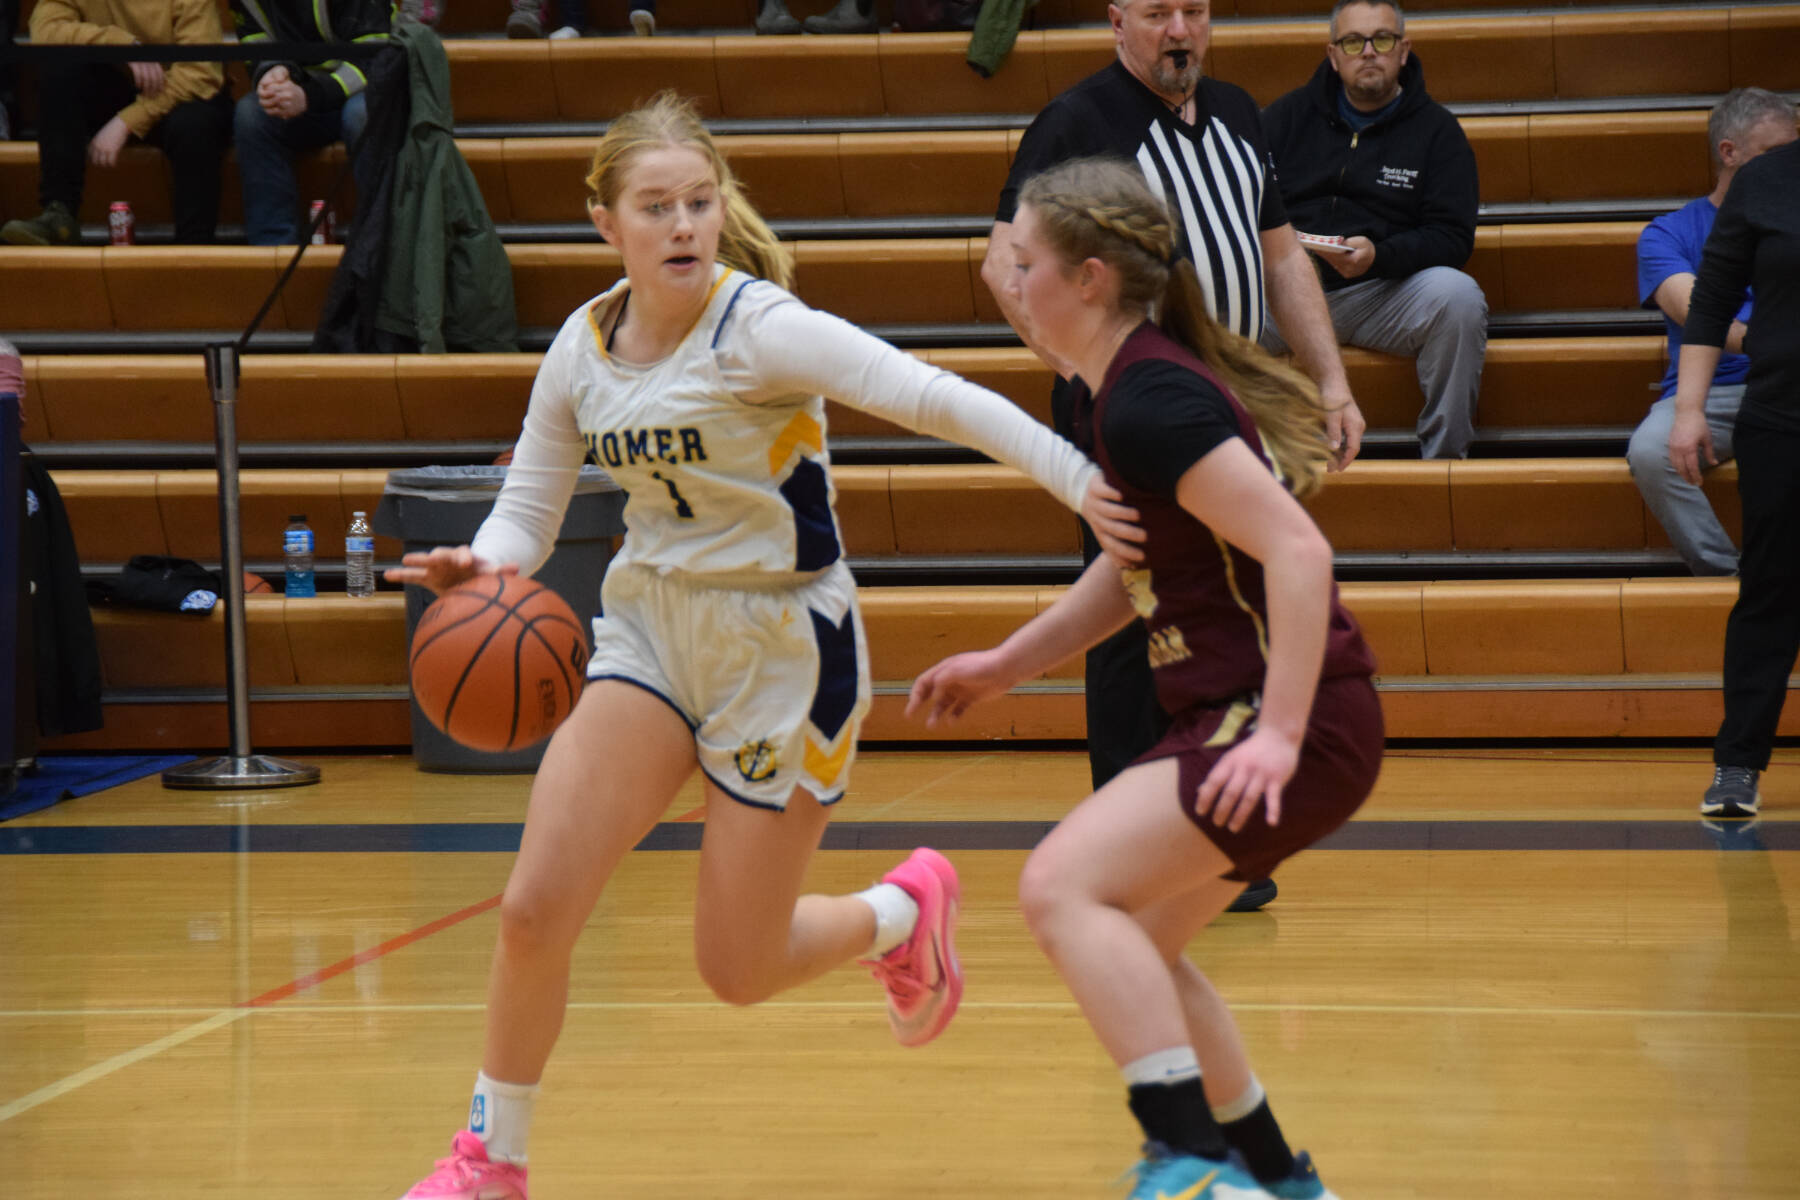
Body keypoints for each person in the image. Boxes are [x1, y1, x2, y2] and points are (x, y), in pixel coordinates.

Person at [384, 91, 1137, 1200]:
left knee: (735, 969)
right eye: (657, 206)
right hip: (649, 632)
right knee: (533, 907)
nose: (684, 224)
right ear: (606, 223)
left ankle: (901, 911)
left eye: (700, 201)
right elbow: (529, 513)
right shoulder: (582, 349)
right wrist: (486, 568)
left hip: (782, 650)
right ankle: (490, 1160)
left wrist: (1083, 480)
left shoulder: (761, 328)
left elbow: (934, 399)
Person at [914, 157, 1381, 1200]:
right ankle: (1276, 1177)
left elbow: (1299, 555)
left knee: (1059, 886)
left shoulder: (1149, 400)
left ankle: (1186, 1162)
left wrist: (1278, 733)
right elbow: (1132, 573)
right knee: (1136, 946)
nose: (1008, 280)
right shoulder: (1121, 389)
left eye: (1023, 263)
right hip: (1249, 711)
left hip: (1277, 711)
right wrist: (1005, 665)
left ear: (1087, 279)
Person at [980, 0, 1363, 912]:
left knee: (1230, 608)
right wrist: (1083, 366)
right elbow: (1003, 264)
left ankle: (1218, 822)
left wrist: (1332, 381)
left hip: (1226, 405)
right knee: (1132, 620)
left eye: (1194, 9)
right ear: (1119, 21)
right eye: (1159, 13)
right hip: (1137, 410)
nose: (1179, 28)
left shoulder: (1235, 112)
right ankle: (1135, 842)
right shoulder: (1076, 123)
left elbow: (1281, 258)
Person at [1259, 0, 1485, 460]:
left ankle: (1445, 463)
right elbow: (1241, 202)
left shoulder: (1439, 132)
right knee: (1196, 294)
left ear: (1403, 51)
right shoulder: (1282, 118)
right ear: (1332, 54)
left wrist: (1379, 255)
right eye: (1352, 42)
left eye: (1381, 40)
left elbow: (1453, 237)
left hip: (1382, 293)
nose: (1368, 52)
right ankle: (1228, 462)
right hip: (1284, 291)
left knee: (1459, 297)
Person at [1671, 130, 1800, 824]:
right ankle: (1738, 764)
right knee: (1770, 596)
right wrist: (1689, 409)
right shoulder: (1767, 180)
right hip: (1784, 419)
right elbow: (1713, 299)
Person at [1630, 88, 1796, 576]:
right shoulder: (1668, 232)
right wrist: (1779, 343)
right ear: (1730, 152)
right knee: (1649, 450)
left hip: (1788, 381)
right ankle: (1729, 578)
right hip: (1716, 391)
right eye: (1775, 154)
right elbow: (1693, 308)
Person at [1, 0, 231, 246]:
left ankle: (193, 248)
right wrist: (122, 45)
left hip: (178, 95)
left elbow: (201, 72)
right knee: (60, 68)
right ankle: (58, 216)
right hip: (112, 83)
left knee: (195, 123)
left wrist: (127, 121)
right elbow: (45, 31)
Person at [231, 0, 392, 246]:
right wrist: (272, 73)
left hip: (365, 90)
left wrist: (310, 94)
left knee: (362, 115)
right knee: (251, 114)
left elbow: (377, 59)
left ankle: (381, 246)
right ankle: (273, 252)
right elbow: (254, 39)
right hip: (302, 90)